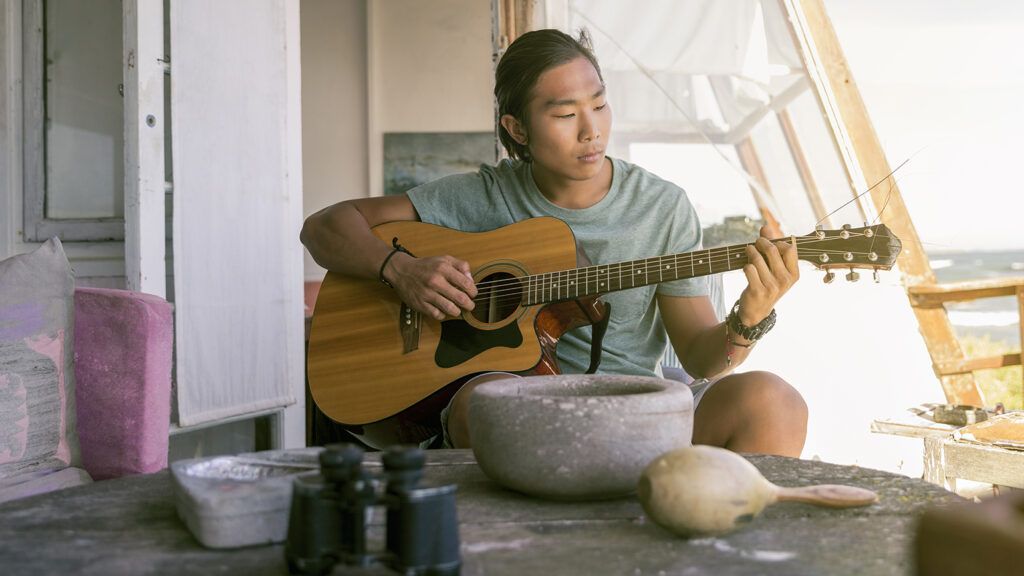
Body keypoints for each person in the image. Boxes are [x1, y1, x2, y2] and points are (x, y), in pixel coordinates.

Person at [301, 29, 807, 457]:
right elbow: (324, 227)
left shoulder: (663, 207)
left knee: (773, 400)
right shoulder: (481, 196)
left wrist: (749, 316)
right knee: (490, 400)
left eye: (601, 105)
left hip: (637, 411)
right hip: (518, 417)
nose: (592, 130)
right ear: (517, 128)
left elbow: (700, 358)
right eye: (565, 115)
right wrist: (400, 270)